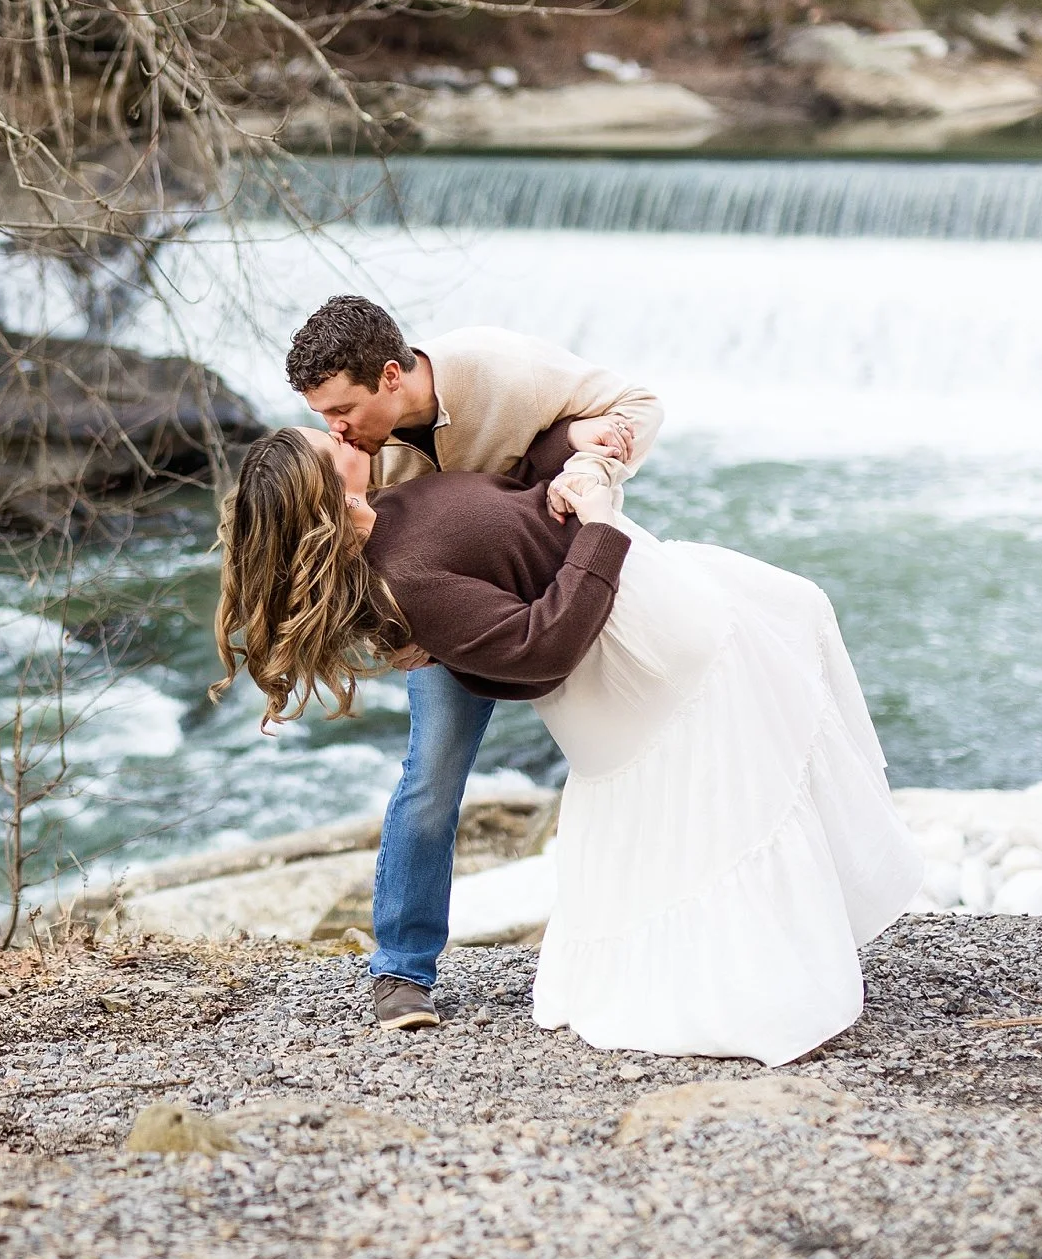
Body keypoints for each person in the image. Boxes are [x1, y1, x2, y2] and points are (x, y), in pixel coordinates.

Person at [212, 419, 923, 1065]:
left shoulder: (393, 506)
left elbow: (511, 501)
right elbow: (538, 649)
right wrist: (600, 524)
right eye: (326, 440)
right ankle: (762, 970)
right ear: (326, 492)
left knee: (795, 620)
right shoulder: (405, 575)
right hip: (627, 633)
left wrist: (573, 453)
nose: (342, 433)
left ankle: (813, 920)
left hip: (630, 587)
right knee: (745, 764)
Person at [283, 296, 662, 1030]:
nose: (333, 430)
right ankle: (400, 970)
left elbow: (637, 404)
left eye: (343, 409)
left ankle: (643, 937)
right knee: (431, 775)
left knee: (626, 754)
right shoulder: (350, 458)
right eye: (322, 413)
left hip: (555, 567)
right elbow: (333, 570)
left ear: (391, 376)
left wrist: (581, 461)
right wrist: (392, 639)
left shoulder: (497, 366)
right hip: (440, 611)